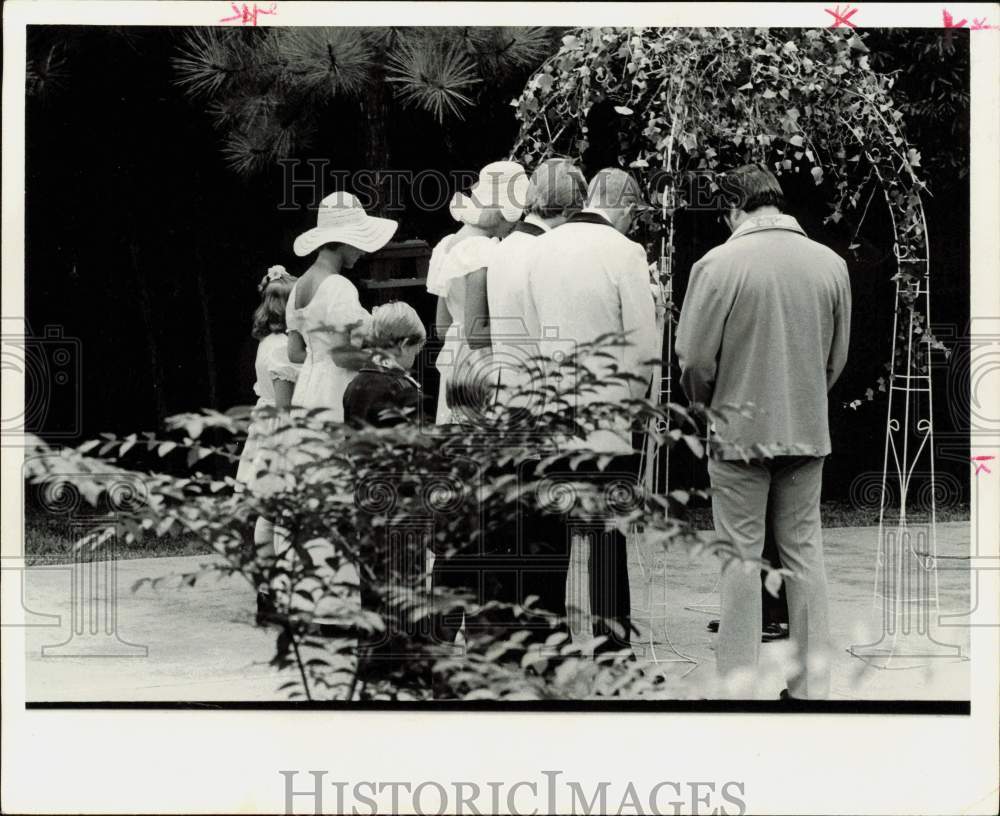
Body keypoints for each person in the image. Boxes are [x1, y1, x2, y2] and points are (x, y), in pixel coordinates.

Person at [675, 164, 851, 700]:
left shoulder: (718, 265)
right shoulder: (831, 264)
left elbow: (694, 359)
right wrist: (805, 398)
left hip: (736, 431)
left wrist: (706, 407)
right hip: (805, 425)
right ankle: (810, 685)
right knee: (804, 552)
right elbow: (836, 358)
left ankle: (738, 686)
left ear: (733, 209)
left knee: (740, 557)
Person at [524, 168, 659, 658]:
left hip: (553, 410)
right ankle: (612, 650)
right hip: (606, 417)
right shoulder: (626, 253)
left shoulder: (542, 248)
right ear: (625, 206)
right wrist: (636, 402)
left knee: (552, 540)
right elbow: (643, 342)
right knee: (606, 541)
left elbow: (534, 329)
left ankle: (554, 644)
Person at [482, 158, 588, 635]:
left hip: (503, 395)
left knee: (514, 524)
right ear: (568, 207)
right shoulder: (551, 255)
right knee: (548, 527)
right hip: (542, 403)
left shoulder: (501, 249)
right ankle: (547, 629)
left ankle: (513, 627)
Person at [427, 161, 528, 425]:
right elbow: (475, 332)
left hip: (453, 355)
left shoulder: (446, 246)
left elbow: (441, 326)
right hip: (480, 359)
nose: (515, 224)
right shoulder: (482, 251)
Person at [286, 191, 398, 417]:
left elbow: (294, 352)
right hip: (336, 392)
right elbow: (342, 356)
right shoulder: (338, 285)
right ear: (343, 240)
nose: (362, 251)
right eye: (357, 242)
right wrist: (388, 363)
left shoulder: (298, 287)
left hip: (308, 391)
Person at [234, 265, 301, 625]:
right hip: (278, 429)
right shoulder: (280, 349)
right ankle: (274, 589)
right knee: (277, 513)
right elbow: (283, 402)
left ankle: (269, 589)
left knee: (269, 512)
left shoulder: (266, 342)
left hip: (266, 426)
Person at [343, 301, 426, 429]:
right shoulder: (401, 389)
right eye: (416, 350)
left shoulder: (355, 383)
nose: (416, 355)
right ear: (404, 346)